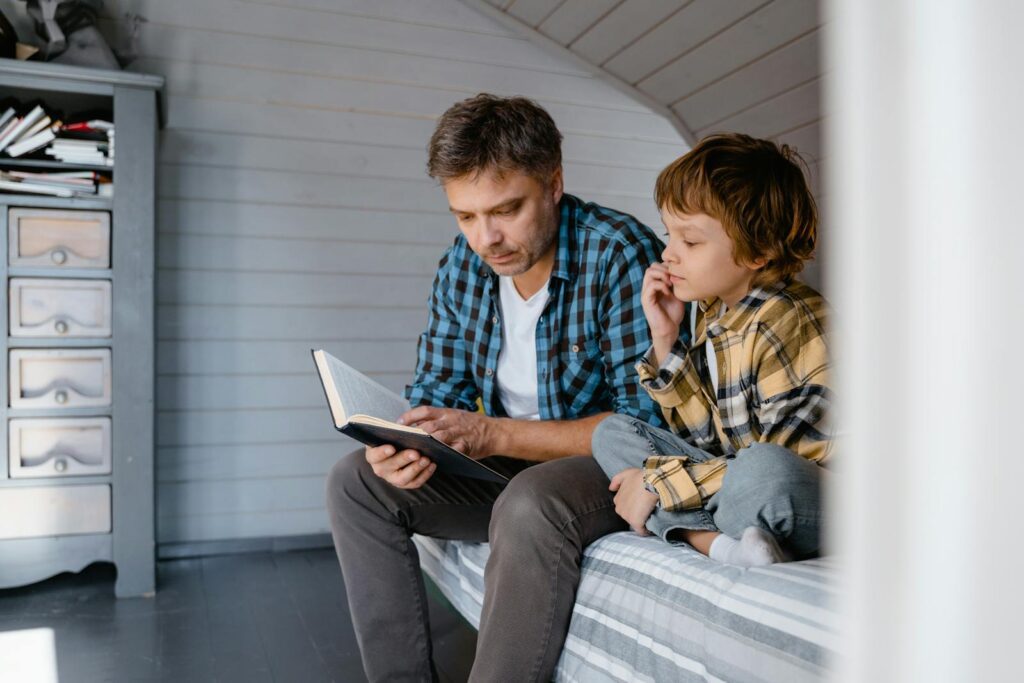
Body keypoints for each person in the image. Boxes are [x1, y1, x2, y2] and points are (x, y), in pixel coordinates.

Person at [325, 93, 678, 682]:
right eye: (465, 216)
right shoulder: (461, 266)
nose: (485, 238)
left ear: (554, 184)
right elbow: (437, 392)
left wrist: (493, 433)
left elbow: (644, 427)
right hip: (498, 466)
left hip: (602, 471)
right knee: (354, 482)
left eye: (506, 209)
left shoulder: (618, 254)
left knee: (530, 499)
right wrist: (403, 445)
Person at [592, 133, 833, 567]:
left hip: (810, 495)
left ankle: (700, 528)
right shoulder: (714, 313)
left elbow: (777, 462)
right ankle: (721, 545)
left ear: (757, 250)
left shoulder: (792, 319)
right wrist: (665, 340)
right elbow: (701, 441)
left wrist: (658, 484)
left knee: (761, 471)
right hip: (738, 482)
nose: (668, 254)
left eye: (691, 241)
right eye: (670, 235)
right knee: (610, 433)